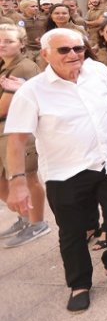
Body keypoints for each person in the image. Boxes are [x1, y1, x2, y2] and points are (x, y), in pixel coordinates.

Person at [4, 29, 107, 313]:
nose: (74, 55)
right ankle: (79, 284)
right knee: (73, 231)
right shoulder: (32, 91)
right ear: (45, 54)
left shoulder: (97, 70)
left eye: (78, 49)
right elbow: (17, 139)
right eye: (64, 50)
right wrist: (18, 181)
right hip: (65, 173)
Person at [0, 24, 50, 248]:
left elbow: (5, 107)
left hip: (18, 130)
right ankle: (24, 216)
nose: (2, 45)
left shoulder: (24, 67)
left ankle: (37, 222)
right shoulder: (5, 65)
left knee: (27, 176)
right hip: (5, 130)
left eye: (9, 41)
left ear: (21, 43)